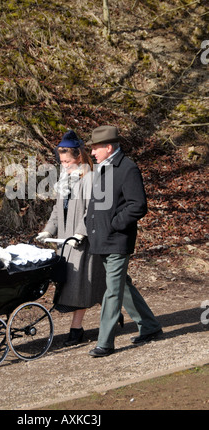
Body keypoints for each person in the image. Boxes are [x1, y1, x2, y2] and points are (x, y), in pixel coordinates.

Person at [85, 125, 162, 357]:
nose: (92, 153)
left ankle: (105, 342)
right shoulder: (102, 168)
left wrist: (114, 225)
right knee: (122, 285)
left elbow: (137, 205)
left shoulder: (127, 168)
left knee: (112, 290)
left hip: (117, 239)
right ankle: (150, 326)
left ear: (108, 147)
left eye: (96, 148)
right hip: (102, 238)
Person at [36, 130, 108, 347]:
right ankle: (112, 314)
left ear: (78, 156)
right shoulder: (64, 178)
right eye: (61, 160)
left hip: (83, 240)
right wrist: (48, 230)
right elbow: (58, 211)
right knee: (72, 284)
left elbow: (92, 212)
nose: (63, 164)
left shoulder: (91, 178)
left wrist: (80, 232)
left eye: (67, 160)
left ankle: (76, 329)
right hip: (65, 241)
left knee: (80, 285)